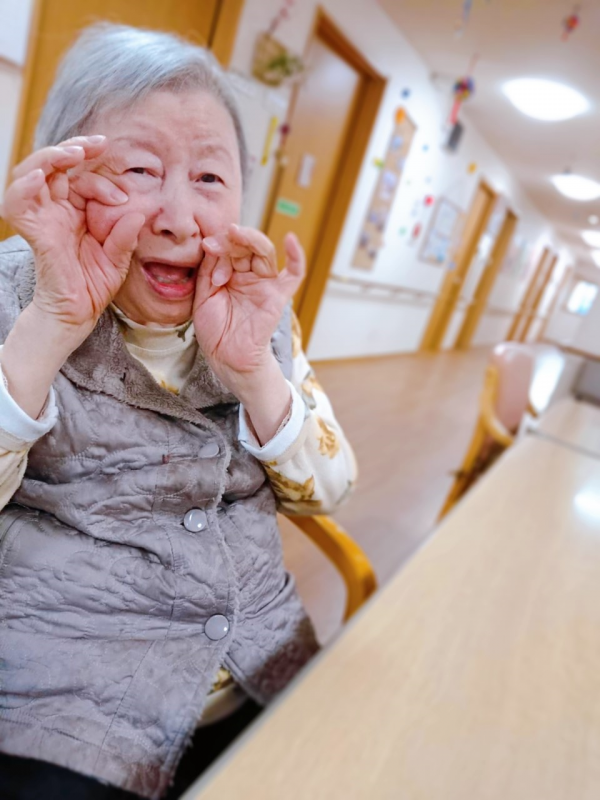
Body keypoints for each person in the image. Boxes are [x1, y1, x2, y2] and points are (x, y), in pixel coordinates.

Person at [0, 23, 357, 800]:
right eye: (139, 170)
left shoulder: (258, 308)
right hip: (71, 702)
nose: (179, 218)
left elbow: (328, 491)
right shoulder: (10, 295)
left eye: (209, 177)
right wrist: (52, 325)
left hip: (259, 666)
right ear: (62, 176)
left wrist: (254, 371)